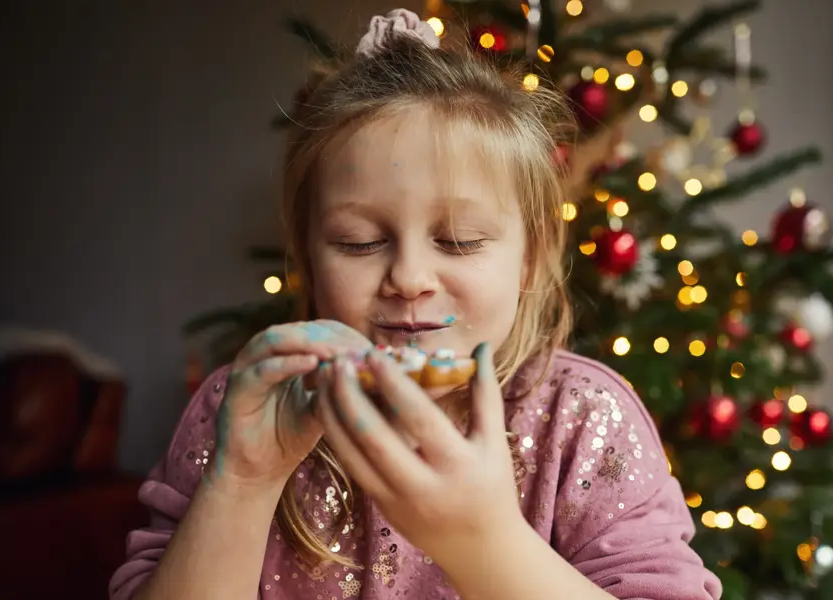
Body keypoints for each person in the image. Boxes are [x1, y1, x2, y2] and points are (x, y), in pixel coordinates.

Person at [110, 9, 723, 600]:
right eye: (360, 242)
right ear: (309, 256)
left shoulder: (582, 420)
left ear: (530, 258)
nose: (408, 278)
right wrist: (242, 482)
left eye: (459, 240)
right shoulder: (240, 407)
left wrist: (486, 543)